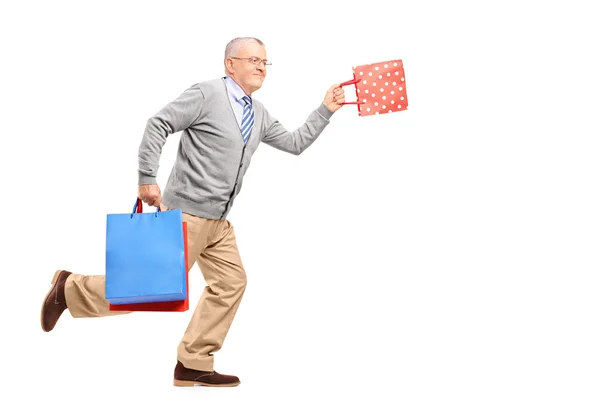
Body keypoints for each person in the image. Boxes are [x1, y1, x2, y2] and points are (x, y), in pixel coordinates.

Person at [40, 36, 346, 387]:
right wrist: (146, 177)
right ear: (230, 64)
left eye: (265, 62)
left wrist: (326, 109)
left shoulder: (258, 114)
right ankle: (69, 289)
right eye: (253, 60)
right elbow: (159, 123)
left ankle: (193, 362)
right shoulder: (207, 95)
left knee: (231, 284)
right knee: (150, 289)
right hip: (187, 215)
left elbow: (295, 143)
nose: (261, 67)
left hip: (219, 223)